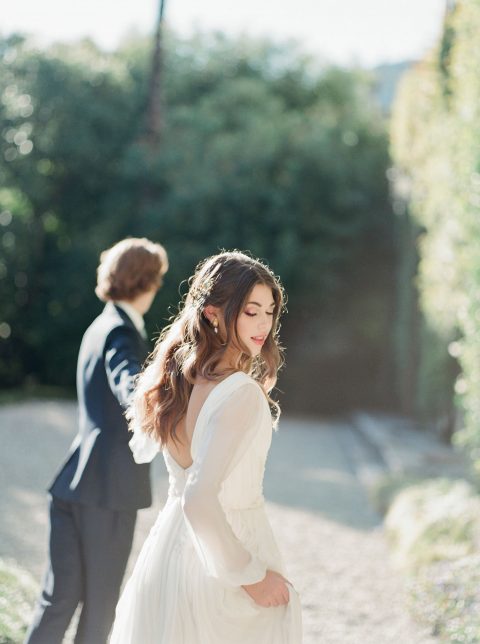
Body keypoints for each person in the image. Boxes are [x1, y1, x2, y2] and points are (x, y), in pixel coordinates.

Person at [110, 250, 302, 643]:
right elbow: (198, 498)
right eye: (251, 311)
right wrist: (251, 577)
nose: (264, 324)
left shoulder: (177, 382)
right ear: (213, 312)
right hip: (223, 562)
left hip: (168, 556)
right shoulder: (241, 394)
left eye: (269, 311)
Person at [25, 237, 169, 644]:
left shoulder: (99, 325)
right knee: (100, 607)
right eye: (157, 279)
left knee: (57, 601)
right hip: (109, 491)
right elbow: (128, 381)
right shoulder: (123, 333)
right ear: (146, 282)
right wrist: (152, 400)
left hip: (72, 484)